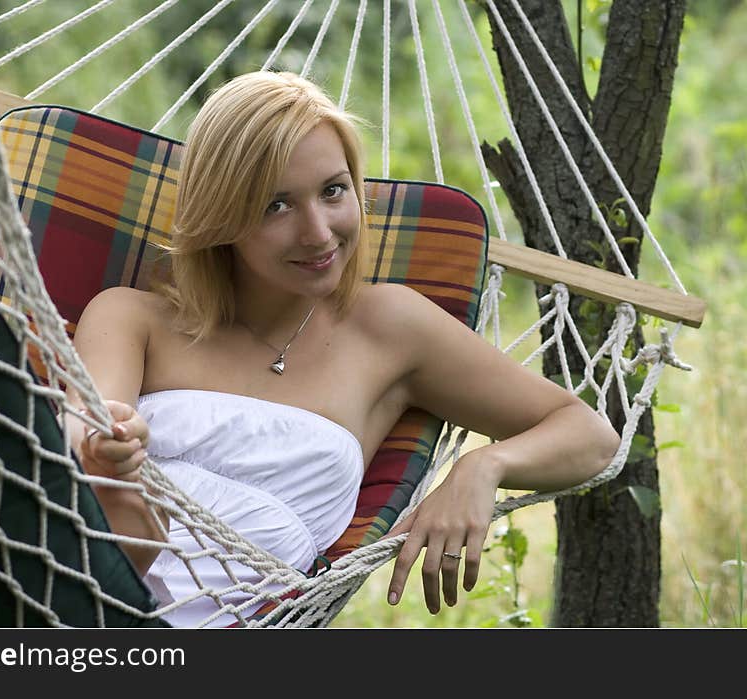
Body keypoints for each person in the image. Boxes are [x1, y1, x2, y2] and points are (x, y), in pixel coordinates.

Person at [65, 70, 621, 627]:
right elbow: (81, 439)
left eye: (333, 191)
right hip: (73, 584)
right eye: (275, 206)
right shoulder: (131, 317)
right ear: (222, 215)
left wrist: (485, 465)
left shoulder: (388, 329)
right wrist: (107, 444)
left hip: (227, 622)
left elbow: (590, 436)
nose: (318, 232)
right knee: (116, 496)